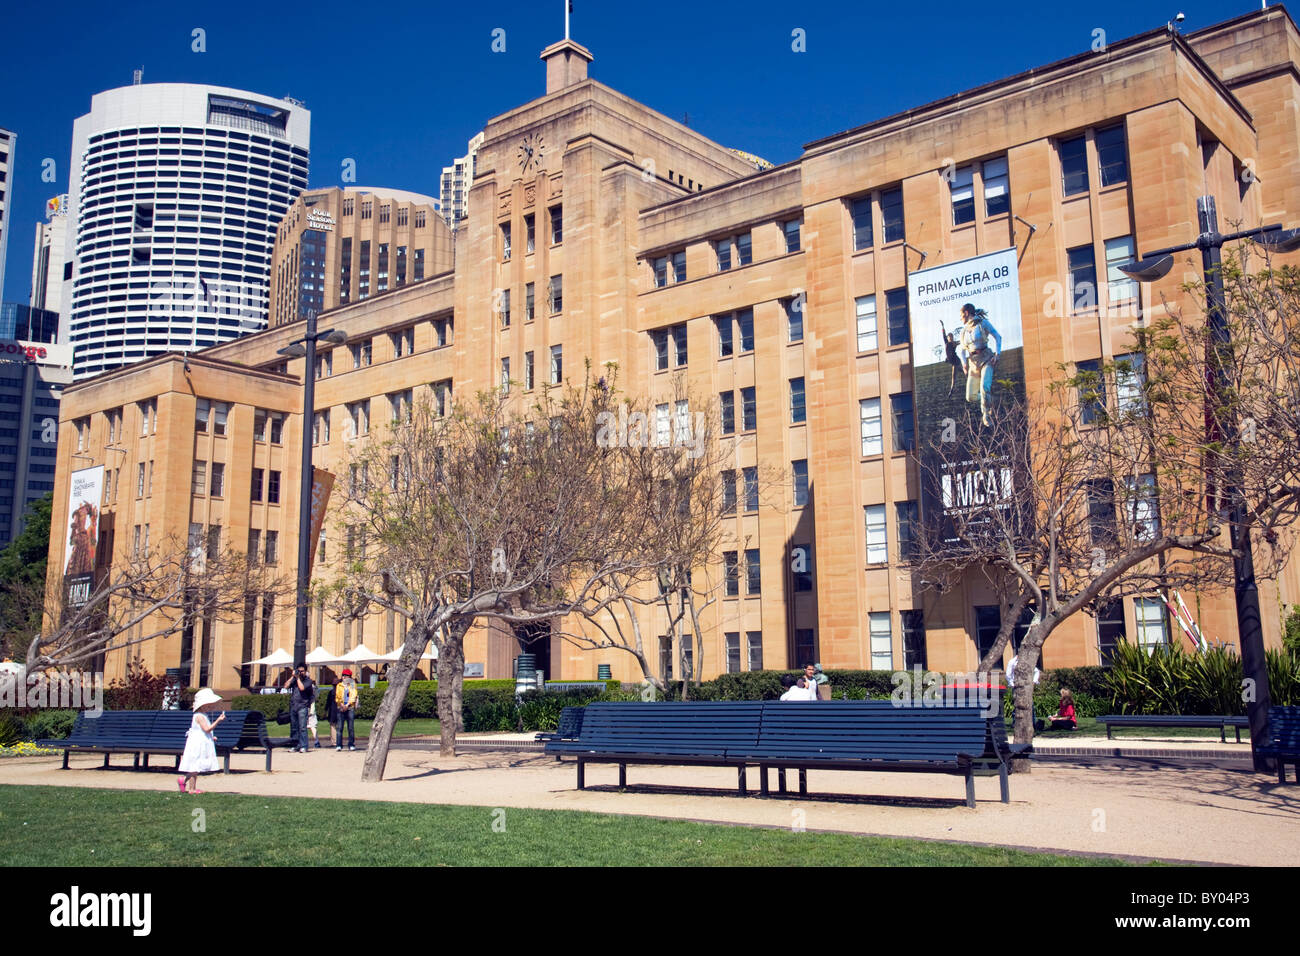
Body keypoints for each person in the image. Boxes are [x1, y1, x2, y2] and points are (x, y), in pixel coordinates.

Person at [957, 303, 1003, 427]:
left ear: (966, 313)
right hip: (973, 363)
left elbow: (998, 337)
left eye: (961, 315)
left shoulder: (983, 324)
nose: (961, 318)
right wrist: (964, 364)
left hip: (986, 358)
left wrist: (997, 354)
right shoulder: (963, 331)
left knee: (984, 387)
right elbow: (961, 350)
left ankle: (986, 415)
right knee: (970, 397)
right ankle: (990, 399)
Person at [177, 688, 225, 793]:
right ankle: (191, 788)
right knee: (195, 766)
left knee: (197, 766)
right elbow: (207, 729)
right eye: (208, 705)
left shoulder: (203, 715)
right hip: (197, 744)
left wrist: (211, 737)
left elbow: (203, 732)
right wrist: (218, 720)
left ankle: (184, 780)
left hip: (200, 741)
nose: (210, 707)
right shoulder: (199, 716)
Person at [283, 664, 316, 753]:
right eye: (299, 671)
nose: (300, 673)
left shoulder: (308, 681)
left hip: (303, 706)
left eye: (302, 671)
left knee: (302, 727)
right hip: (294, 706)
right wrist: (292, 677)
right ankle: (295, 745)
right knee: (294, 727)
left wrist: (297, 678)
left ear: (305, 671)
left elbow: (302, 688)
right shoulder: (294, 680)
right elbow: (285, 686)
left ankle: (304, 746)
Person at [334, 668, 359, 751]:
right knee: (339, 727)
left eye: (346, 676)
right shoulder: (339, 685)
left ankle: (351, 744)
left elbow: (353, 695)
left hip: (350, 707)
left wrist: (347, 705)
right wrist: (341, 704)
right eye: (343, 675)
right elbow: (337, 697)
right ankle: (339, 744)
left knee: (350, 727)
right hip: (340, 707)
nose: (344, 677)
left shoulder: (352, 684)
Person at [939, 320, 964, 396]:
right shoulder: (946, 342)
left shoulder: (954, 343)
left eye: (951, 336)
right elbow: (943, 334)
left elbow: (961, 342)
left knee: (954, 376)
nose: (950, 337)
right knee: (962, 371)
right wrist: (943, 326)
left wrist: (964, 340)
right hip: (953, 361)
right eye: (949, 336)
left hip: (956, 361)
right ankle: (971, 374)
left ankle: (951, 390)